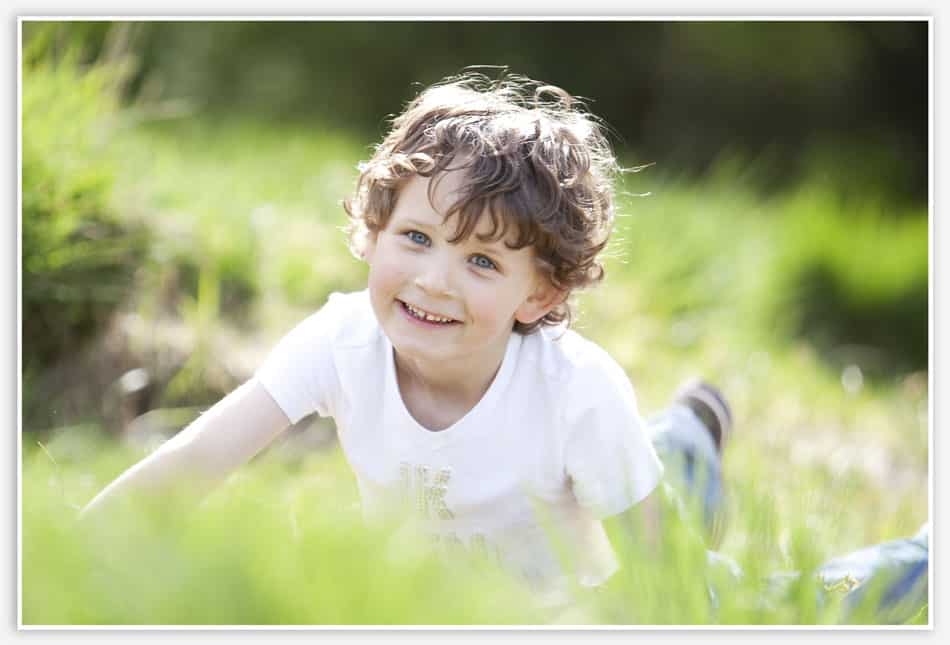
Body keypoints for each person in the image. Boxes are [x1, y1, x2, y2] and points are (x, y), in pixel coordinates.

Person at [83, 72, 666, 603]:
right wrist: (69, 553)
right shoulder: (344, 340)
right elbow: (198, 458)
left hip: (552, 612)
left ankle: (685, 445)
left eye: (482, 262)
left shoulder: (576, 391)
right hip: (414, 606)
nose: (433, 282)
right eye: (416, 237)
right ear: (373, 231)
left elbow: (660, 573)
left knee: (674, 485)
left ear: (539, 295)